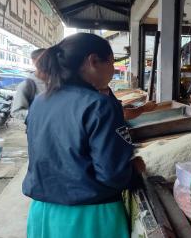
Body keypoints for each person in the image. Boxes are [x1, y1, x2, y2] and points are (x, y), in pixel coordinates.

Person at [22, 33, 144, 238]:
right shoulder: (99, 105)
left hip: (42, 214)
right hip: (89, 217)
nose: (113, 71)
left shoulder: (40, 101)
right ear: (93, 61)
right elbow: (112, 174)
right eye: (112, 63)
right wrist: (134, 170)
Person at [11, 49, 46, 121]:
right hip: (37, 129)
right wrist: (41, 115)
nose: (49, 62)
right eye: (45, 59)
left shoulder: (58, 82)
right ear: (34, 61)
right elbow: (16, 112)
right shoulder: (26, 86)